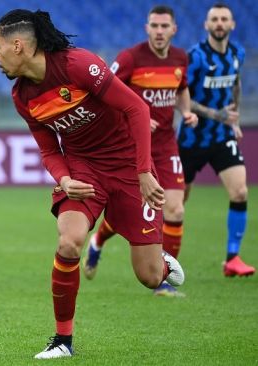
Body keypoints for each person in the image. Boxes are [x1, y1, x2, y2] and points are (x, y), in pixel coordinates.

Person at [0, 9, 185, 359]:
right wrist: (64, 179)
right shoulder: (22, 97)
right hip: (84, 170)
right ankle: (62, 341)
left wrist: (144, 172)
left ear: (17, 46)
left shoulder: (78, 65)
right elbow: (49, 149)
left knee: (149, 276)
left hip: (128, 167)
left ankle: (162, 262)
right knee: (69, 243)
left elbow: (137, 110)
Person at [82, 5, 198, 297]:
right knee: (134, 211)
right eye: (154, 26)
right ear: (147, 28)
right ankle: (99, 240)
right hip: (133, 147)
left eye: (164, 26)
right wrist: (138, 118)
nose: (159, 31)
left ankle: (162, 281)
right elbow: (105, 93)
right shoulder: (130, 58)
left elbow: (182, 88)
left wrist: (186, 112)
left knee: (175, 208)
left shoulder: (180, 58)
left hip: (166, 144)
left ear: (174, 30)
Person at [177, 3, 254, 277]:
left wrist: (233, 118)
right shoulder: (195, 57)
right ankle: (160, 253)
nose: (219, 23)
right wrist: (216, 114)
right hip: (192, 138)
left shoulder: (237, 53)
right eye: (215, 19)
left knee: (240, 192)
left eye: (224, 19)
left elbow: (235, 83)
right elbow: (180, 94)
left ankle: (232, 259)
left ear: (232, 24)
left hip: (221, 137)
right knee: (177, 203)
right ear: (206, 25)